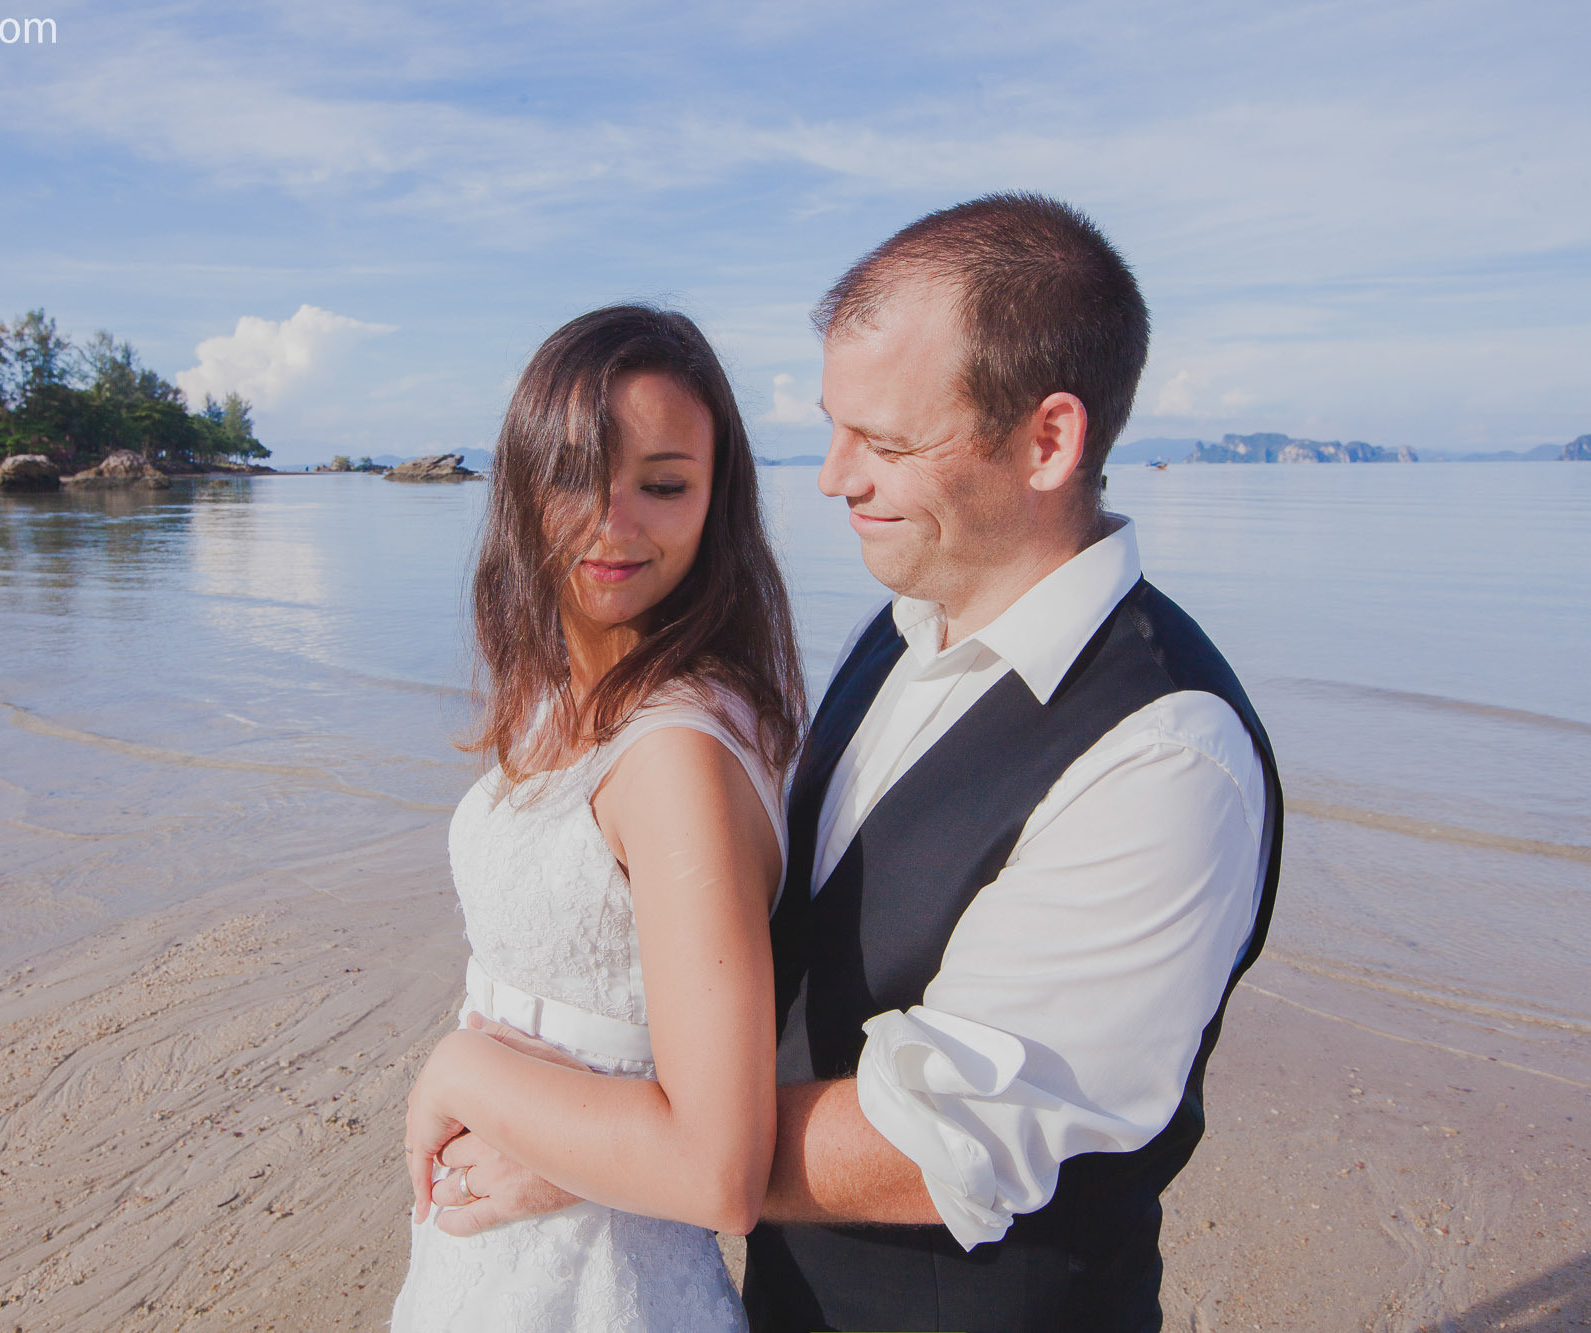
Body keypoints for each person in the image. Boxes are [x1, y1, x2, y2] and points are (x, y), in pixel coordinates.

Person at [417, 194, 1284, 1333]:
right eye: (833, 428)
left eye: (883, 441)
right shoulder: (903, 628)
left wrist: (573, 1137)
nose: (831, 478)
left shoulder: (1164, 755)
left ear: (1048, 440)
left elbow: (939, 1144)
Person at [389, 304, 807, 1332]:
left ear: (716, 502)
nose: (615, 523)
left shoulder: (673, 753)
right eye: (575, 474)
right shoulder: (570, 691)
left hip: (604, 1288)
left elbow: (717, 1171)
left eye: (663, 485)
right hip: (512, 1259)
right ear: (522, 485)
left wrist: (460, 1068)